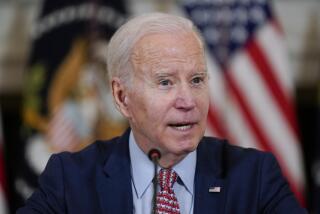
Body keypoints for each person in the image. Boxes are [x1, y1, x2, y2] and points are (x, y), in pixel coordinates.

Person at [17, 12, 307, 214]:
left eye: (197, 80)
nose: (187, 100)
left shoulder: (253, 176)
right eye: (165, 82)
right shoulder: (72, 180)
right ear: (121, 97)